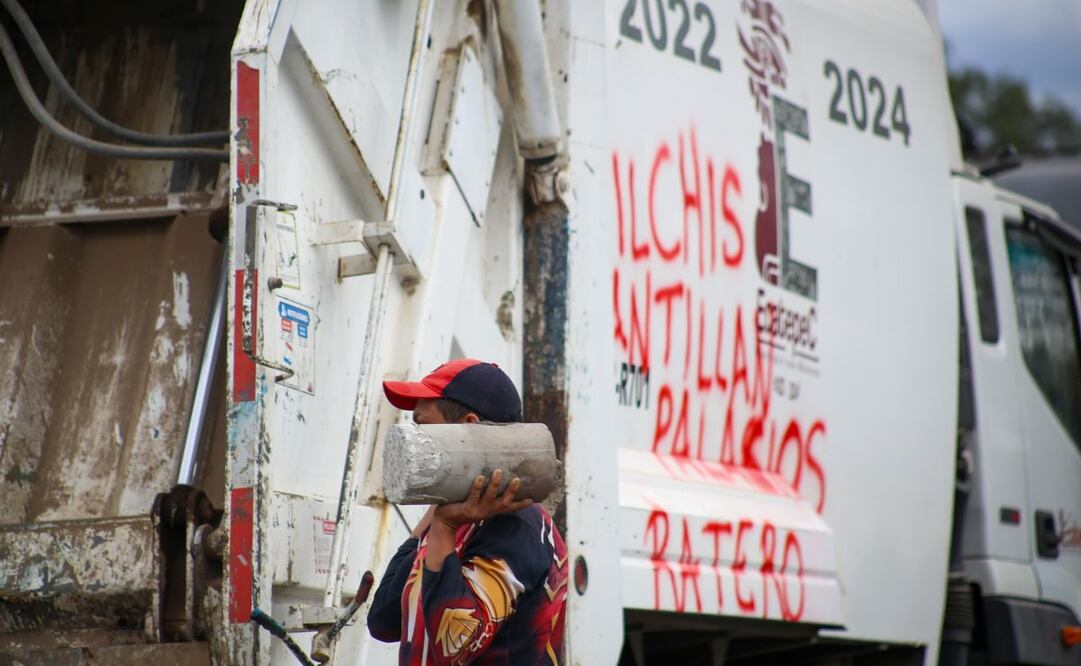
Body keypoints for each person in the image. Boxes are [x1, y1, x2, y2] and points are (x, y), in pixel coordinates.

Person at [367, 358, 568, 665]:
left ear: (469, 427)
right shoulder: (455, 518)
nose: (414, 439)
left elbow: (456, 647)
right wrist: (437, 514)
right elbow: (384, 619)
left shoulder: (518, 524)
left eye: (423, 426)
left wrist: (444, 526)